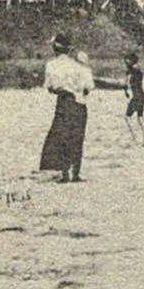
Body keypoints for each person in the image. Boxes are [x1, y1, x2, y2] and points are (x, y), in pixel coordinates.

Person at [40, 33, 94, 182]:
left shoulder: (51, 65)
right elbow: (89, 87)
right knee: (77, 137)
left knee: (62, 136)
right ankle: (75, 173)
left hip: (63, 101)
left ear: (54, 48)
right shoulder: (78, 66)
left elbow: (50, 87)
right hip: (79, 103)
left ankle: (64, 173)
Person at [123, 53, 144, 147]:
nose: (125, 62)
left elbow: (126, 84)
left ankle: (135, 139)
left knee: (127, 117)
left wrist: (125, 91)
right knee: (140, 118)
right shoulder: (139, 70)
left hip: (136, 96)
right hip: (143, 96)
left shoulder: (130, 71)